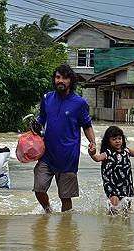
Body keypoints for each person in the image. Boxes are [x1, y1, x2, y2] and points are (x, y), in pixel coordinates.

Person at [33, 64, 96, 212]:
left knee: (65, 197)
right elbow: (41, 121)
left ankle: (65, 228)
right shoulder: (47, 98)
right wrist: (31, 133)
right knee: (39, 188)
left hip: (68, 157)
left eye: (65, 78)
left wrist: (92, 142)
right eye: (58, 77)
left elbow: (87, 125)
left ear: (71, 81)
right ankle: (48, 211)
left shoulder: (79, 103)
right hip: (46, 154)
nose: (60, 81)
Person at [88, 126, 134, 213]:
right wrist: (92, 153)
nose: (118, 141)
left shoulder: (126, 151)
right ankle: (111, 223)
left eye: (119, 138)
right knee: (114, 205)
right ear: (108, 141)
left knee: (126, 208)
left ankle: (125, 223)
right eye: (114, 139)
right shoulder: (107, 153)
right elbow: (97, 158)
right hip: (111, 183)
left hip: (126, 182)